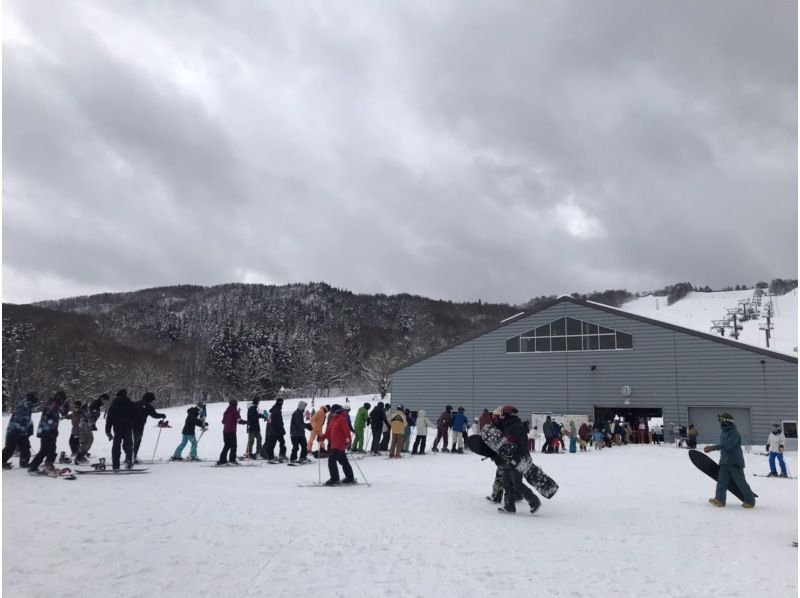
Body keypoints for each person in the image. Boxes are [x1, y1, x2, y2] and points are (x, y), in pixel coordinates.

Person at [495, 405, 542, 515]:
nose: (501, 416)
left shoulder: (516, 426)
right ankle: (509, 506)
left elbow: (521, 443)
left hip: (518, 458)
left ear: (507, 414)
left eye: (502, 414)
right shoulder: (508, 425)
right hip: (509, 458)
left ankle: (534, 501)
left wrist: (513, 447)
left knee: (517, 483)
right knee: (506, 482)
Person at [703, 413, 756, 508]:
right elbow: (723, 448)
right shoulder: (723, 433)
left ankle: (750, 501)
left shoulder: (734, 433)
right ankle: (720, 499)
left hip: (735, 462)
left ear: (728, 422)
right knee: (721, 482)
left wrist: (712, 448)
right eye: (720, 421)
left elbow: (727, 445)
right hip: (724, 462)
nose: (721, 423)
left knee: (740, 483)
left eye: (723, 421)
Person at [28, 390, 69, 473]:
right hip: (47, 431)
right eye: (63, 400)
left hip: (48, 430)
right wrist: (52, 430)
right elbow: (49, 418)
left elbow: (56, 416)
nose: (63, 402)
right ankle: (33, 467)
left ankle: (48, 464)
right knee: (44, 449)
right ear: (61, 398)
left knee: (52, 449)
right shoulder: (53, 404)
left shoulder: (54, 403)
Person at [317, 404, 356, 485]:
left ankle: (335, 479)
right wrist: (321, 438)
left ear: (338, 411)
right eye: (331, 412)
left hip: (340, 444)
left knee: (331, 461)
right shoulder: (333, 419)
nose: (332, 413)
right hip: (334, 444)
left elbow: (347, 432)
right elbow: (328, 433)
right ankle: (350, 478)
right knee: (344, 462)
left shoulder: (342, 419)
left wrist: (348, 442)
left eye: (333, 412)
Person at [2, 391, 38, 469]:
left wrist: (28, 430)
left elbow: (27, 420)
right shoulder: (24, 405)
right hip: (14, 430)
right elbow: (20, 419)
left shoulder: (28, 405)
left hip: (21, 431)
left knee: (25, 447)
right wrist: (21, 430)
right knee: (10, 447)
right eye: (35, 397)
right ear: (31, 397)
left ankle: (24, 462)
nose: (37, 398)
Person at [105, 389, 136, 471]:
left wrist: (108, 431)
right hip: (128, 429)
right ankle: (128, 462)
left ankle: (115, 465)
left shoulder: (113, 406)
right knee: (128, 446)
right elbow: (135, 417)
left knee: (116, 447)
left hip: (117, 429)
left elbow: (109, 420)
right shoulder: (131, 404)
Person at [132, 392, 167, 463]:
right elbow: (154, 415)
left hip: (131, 426)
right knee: (137, 441)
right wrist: (162, 415)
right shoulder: (148, 406)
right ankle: (133, 457)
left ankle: (130, 456)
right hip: (139, 426)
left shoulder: (136, 403)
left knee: (132, 441)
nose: (152, 401)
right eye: (152, 400)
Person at [218, 399, 246, 465]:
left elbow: (223, 421)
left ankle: (222, 460)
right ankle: (232, 460)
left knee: (227, 445)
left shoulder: (226, 411)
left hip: (225, 431)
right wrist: (247, 422)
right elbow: (239, 421)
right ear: (235, 404)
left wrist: (237, 413)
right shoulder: (234, 411)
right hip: (231, 431)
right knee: (233, 446)